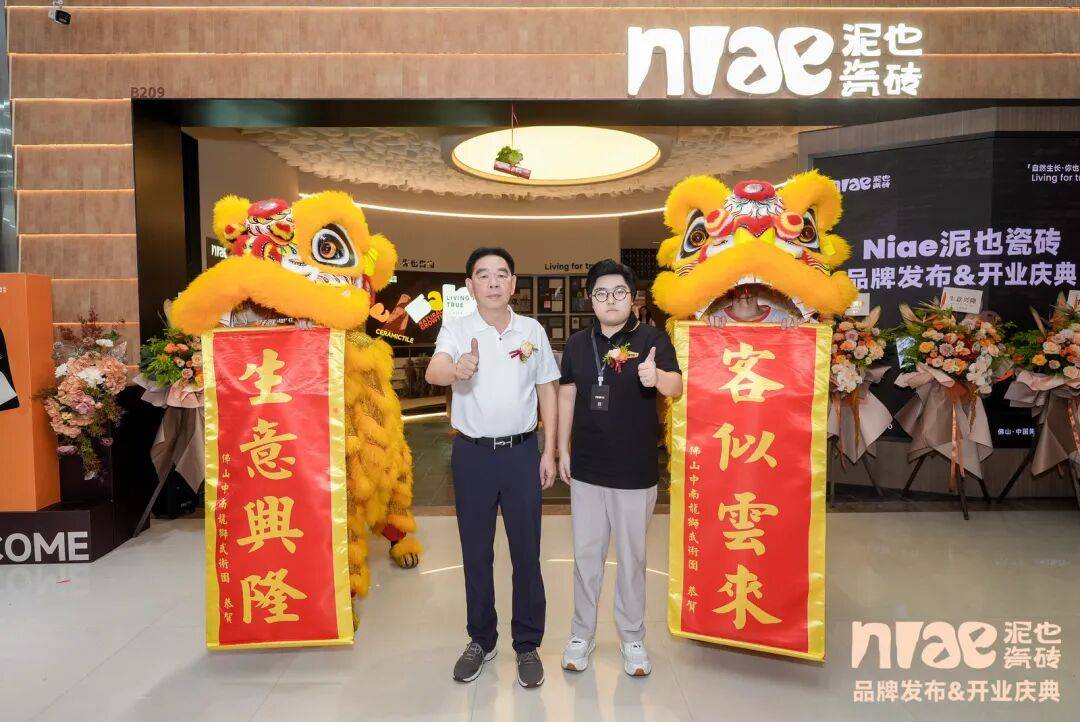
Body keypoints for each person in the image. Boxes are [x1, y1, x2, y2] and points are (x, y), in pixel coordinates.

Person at [425, 247, 560, 689]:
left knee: (527, 553)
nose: (494, 282)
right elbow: (434, 371)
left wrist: (549, 451)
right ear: (470, 285)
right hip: (473, 456)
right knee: (476, 553)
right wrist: (456, 369)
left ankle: (528, 644)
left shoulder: (532, 330)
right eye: (483, 275)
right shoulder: (458, 328)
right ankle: (481, 640)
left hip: (521, 454)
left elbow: (547, 389)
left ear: (514, 283)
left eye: (502, 274)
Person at [556, 259, 682, 677]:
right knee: (586, 556)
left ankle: (632, 638)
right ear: (590, 300)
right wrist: (561, 448)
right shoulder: (578, 344)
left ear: (633, 297)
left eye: (619, 292)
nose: (610, 300)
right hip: (588, 469)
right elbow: (568, 395)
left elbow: (677, 386)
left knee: (632, 558)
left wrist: (655, 377)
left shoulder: (652, 338)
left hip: (634, 470)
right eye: (601, 293)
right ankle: (581, 633)